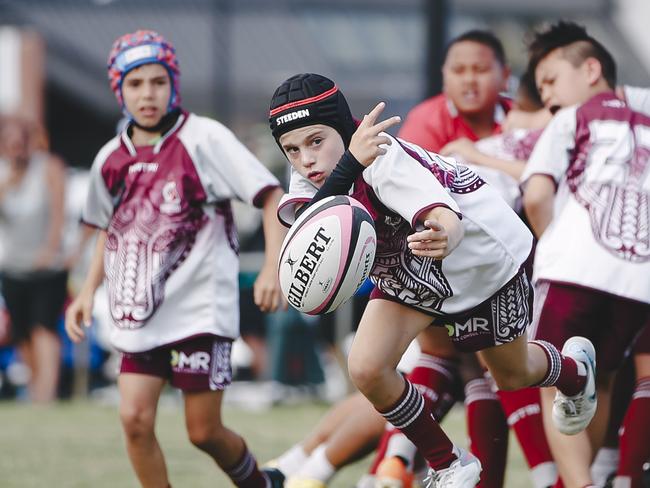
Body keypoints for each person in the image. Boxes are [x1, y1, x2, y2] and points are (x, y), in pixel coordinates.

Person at [269, 72, 597, 488]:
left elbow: (444, 217)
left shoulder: (386, 160)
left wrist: (444, 235)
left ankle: (573, 371)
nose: (306, 159)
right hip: (413, 273)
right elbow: (309, 224)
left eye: (316, 141)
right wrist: (346, 163)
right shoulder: (315, 174)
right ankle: (449, 464)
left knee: (514, 375)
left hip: (482, 266)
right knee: (367, 368)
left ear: (346, 127)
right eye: (292, 150)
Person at [64, 30, 286, 488]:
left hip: (200, 311)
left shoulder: (204, 138)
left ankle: (261, 484)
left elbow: (271, 196)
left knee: (202, 432)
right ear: (118, 89)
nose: (148, 93)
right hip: (141, 315)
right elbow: (111, 229)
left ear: (173, 84)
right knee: (134, 420)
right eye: (136, 83)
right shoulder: (109, 159)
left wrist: (272, 267)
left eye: (158, 81)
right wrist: (88, 290)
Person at [391, 31, 557, 488]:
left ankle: (377, 470)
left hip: (517, 270)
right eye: (458, 70)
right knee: (391, 367)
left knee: (490, 366)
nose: (469, 80)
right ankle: (370, 470)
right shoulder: (423, 124)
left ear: (505, 76)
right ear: (443, 76)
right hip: (433, 275)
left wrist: (478, 156)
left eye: (480, 69)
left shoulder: (526, 124)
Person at [521, 21, 650, 488]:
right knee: (603, 381)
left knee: (557, 377)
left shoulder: (572, 119)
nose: (547, 97)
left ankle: (577, 485)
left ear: (591, 68)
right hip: (638, 281)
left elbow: (536, 195)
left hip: (574, 268)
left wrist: (553, 243)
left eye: (551, 81)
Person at [0, 116, 68, 403]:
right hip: (13, 266)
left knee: (44, 328)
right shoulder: (4, 173)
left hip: (46, 267)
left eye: (21, 140)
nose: (17, 147)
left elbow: (58, 213)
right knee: (23, 332)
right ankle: (34, 387)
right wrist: (10, 182)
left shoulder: (49, 167)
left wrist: (50, 250)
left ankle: (46, 395)